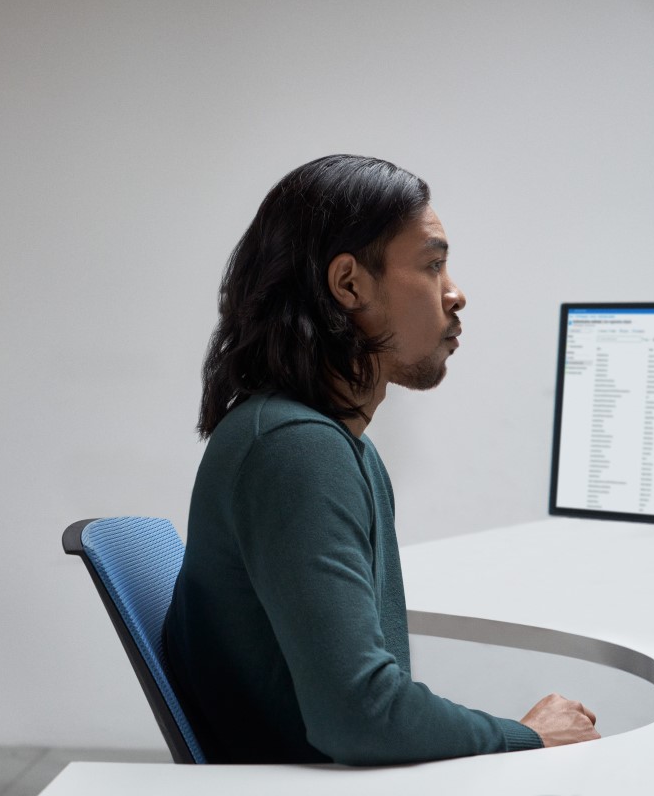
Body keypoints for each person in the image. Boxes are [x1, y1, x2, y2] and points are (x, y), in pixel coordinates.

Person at [161, 154, 600, 765]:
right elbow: (362, 717)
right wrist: (524, 736)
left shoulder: (324, 442)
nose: (456, 292)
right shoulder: (296, 450)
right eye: (433, 264)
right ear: (348, 285)